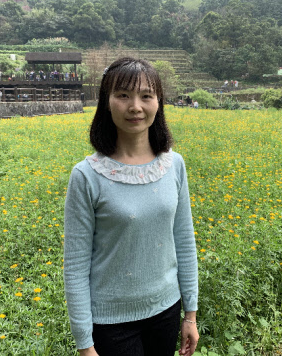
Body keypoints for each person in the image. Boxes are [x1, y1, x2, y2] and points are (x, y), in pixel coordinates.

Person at [64, 57, 199, 356]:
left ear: (158, 102)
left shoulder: (174, 165)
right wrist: (85, 344)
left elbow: (184, 241)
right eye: (123, 95)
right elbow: (75, 267)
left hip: (166, 310)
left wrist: (190, 314)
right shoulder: (86, 176)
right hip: (111, 324)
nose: (135, 106)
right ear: (106, 102)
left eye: (146, 96)